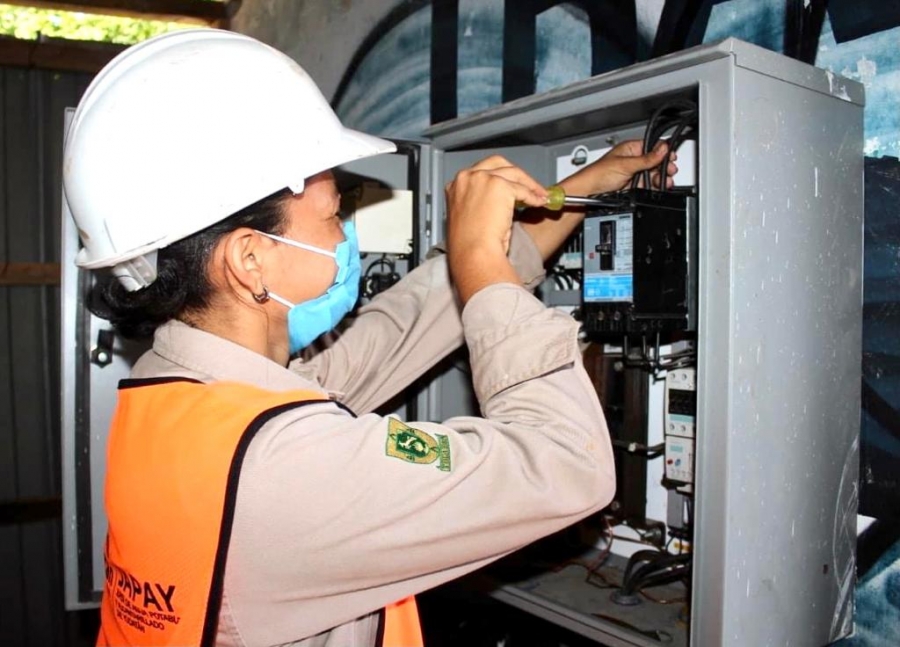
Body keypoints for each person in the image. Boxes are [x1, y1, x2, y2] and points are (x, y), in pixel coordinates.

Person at [64, 29, 673, 647]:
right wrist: (479, 263)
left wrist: (578, 193)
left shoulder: (182, 399)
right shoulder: (284, 472)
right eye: (334, 214)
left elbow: (396, 332)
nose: (345, 234)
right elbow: (568, 463)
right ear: (250, 260)